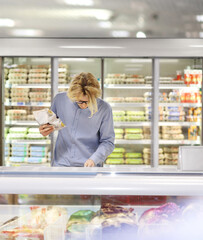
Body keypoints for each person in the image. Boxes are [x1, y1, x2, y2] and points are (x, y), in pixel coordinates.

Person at [39, 72, 115, 167]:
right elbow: (49, 126)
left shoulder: (104, 108)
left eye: (88, 102)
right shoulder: (59, 100)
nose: (84, 105)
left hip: (88, 165)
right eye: (79, 101)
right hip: (61, 163)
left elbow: (108, 142)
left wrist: (94, 159)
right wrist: (44, 130)